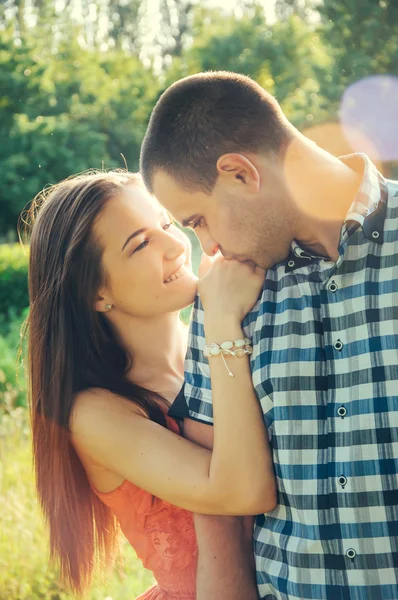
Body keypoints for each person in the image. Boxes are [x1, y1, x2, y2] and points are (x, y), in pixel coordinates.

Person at [140, 71, 398, 600]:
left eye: (198, 220)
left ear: (239, 173)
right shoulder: (222, 300)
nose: (205, 247)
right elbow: (223, 523)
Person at [26, 170, 276, 599]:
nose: (179, 244)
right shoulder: (94, 414)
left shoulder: (229, 331)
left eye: (165, 224)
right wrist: (221, 323)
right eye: (141, 244)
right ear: (96, 293)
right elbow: (240, 491)